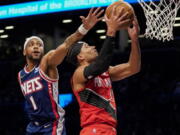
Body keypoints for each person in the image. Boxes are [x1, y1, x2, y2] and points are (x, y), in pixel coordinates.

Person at [17, 8, 104, 135]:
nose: (36, 46)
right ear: (24, 51)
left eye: (39, 45)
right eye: (31, 44)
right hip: (32, 127)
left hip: (52, 125)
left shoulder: (47, 62)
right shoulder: (20, 75)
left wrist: (83, 29)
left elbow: (66, 44)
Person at [66, 8, 141, 135]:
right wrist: (111, 30)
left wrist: (134, 40)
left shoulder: (105, 72)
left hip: (109, 129)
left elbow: (133, 67)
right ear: (80, 57)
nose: (93, 47)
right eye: (87, 47)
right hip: (93, 129)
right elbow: (100, 65)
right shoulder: (78, 74)